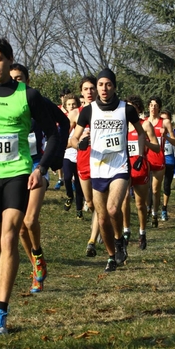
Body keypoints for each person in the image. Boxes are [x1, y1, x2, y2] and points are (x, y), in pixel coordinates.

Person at [0, 37, 59, 335]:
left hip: (18, 173)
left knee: (10, 236)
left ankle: (1, 310)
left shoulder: (29, 95)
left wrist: (40, 168)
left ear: (10, 59)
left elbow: (53, 134)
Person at [71, 68, 146, 272]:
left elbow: (140, 134)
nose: (104, 88)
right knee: (102, 218)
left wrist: (140, 155)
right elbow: (73, 138)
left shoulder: (126, 109)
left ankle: (120, 239)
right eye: (101, 85)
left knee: (113, 209)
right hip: (97, 168)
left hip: (120, 165)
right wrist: (80, 144)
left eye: (108, 84)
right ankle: (112, 256)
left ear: (114, 86)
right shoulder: (88, 111)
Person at [9, 63, 69, 293]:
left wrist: (55, 155)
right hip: (13, 167)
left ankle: (37, 256)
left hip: (36, 165)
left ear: (27, 80)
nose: (16, 82)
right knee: (20, 228)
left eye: (20, 78)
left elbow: (62, 123)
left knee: (29, 220)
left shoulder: (36, 100)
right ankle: (37, 265)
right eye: (13, 78)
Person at [122, 95, 160, 250]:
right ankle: (126, 231)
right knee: (124, 199)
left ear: (138, 109)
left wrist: (146, 144)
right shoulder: (122, 125)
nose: (128, 110)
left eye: (132, 107)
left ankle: (142, 232)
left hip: (140, 167)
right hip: (124, 166)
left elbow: (157, 148)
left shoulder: (145, 125)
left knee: (140, 204)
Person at [71, 76, 101, 256]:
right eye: (86, 89)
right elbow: (68, 140)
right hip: (83, 161)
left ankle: (92, 240)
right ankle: (99, 222)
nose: (89, 92)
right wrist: (79, 141)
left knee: (99, 203)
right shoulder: (76, 114)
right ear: (81, 92)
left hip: (101, 162)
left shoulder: (104, 111)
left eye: (92, 88)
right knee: (89, 202)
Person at [146, 96, 175, 228]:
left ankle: (154, 213)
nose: (153, 107)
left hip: (159, 158)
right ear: (148, 107)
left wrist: (165, 136)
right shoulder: (143, 122)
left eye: (156, 105)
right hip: (146, 158)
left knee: (155, 189)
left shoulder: (165, 122)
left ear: (159, 107)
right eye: (151, 105)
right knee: (145, 188)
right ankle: (147, 209)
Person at [62, 93, 84, 219]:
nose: (71, 106)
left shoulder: (80, 118)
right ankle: (69, 195)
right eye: (69, 104)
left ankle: (79, 210)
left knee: (79, 184)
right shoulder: (64, 120)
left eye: (73, 104)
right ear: (65, 106)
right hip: (68, 154)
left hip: (80, 154)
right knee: (67, 177)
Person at [160, 111, 175, 221]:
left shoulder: (173, 132)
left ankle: (164, 209)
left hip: (169, 161)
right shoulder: (155, 130)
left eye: (166, 119)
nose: (164, 121)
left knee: (166, 185)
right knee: (153, 187)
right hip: (158, 161)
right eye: (162, 119)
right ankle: (151, 207)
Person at [54, 87, 71, 190]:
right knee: (60, 155)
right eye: (63, 97)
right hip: (59, 135)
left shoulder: (73, 109)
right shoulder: (57, 108)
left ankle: (72, 179)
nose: (65, 99)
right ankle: (61, 178)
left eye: (67, 97)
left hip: (71, 136)